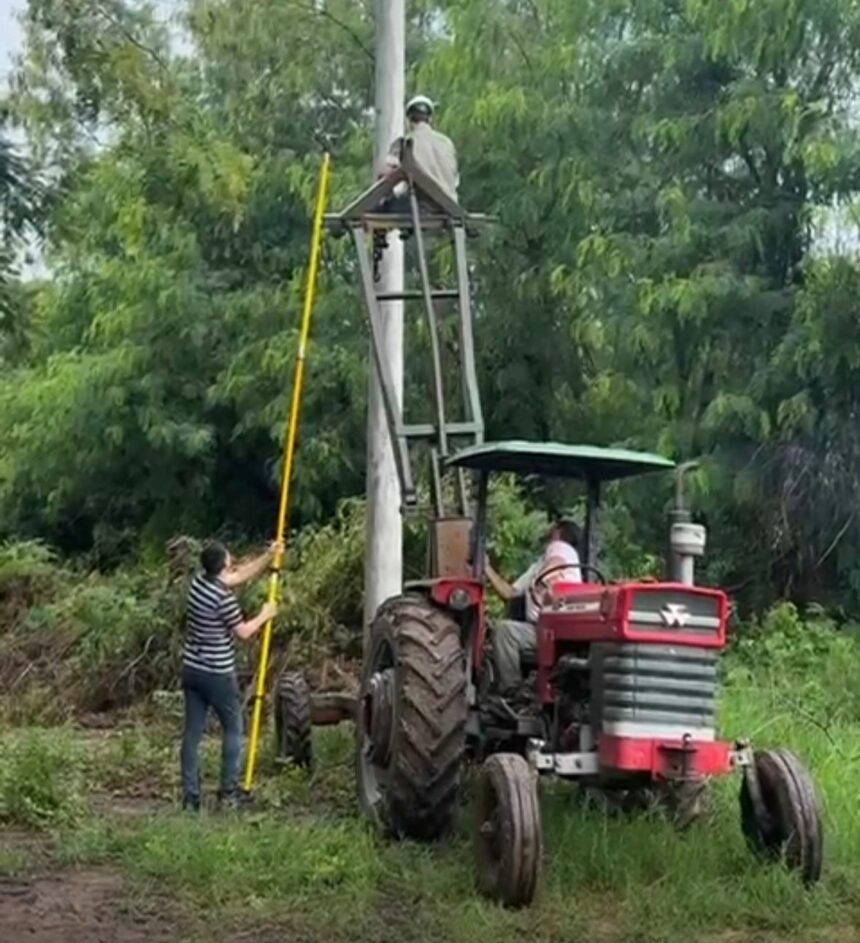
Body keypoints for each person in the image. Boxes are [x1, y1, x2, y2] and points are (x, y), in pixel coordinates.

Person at [180, 539, 281, 811]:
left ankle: (190, 797)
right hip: (217, 675)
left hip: (192, 670)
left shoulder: (199, 583)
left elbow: (236, 577)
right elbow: (245, 633)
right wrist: (265, 614)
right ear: (223, 566)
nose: (233, 559)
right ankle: (229, 794)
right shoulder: (224, 599)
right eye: (230, 558)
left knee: (192, 733)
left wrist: (268, 556)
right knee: (234, 729)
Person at [485, 519, 582, 694]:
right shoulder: (537, 566)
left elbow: (556, 563)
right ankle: (518, 691)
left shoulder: (562, 548)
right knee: (506, 631)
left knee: (504, 631)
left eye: (552, 527)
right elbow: (509, 593)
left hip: (555, 629)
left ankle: (512, 690)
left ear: (558, 533)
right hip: (541, 630)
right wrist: (486, 568)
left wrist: (543, 581)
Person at [379, 94, 460, 203]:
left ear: (408, 120)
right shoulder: (448, 143)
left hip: (419, 208)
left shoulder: (404, 143)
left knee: (378, 209)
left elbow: (384, 177)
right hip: (450, 209)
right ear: (430, 119)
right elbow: (455, 181)